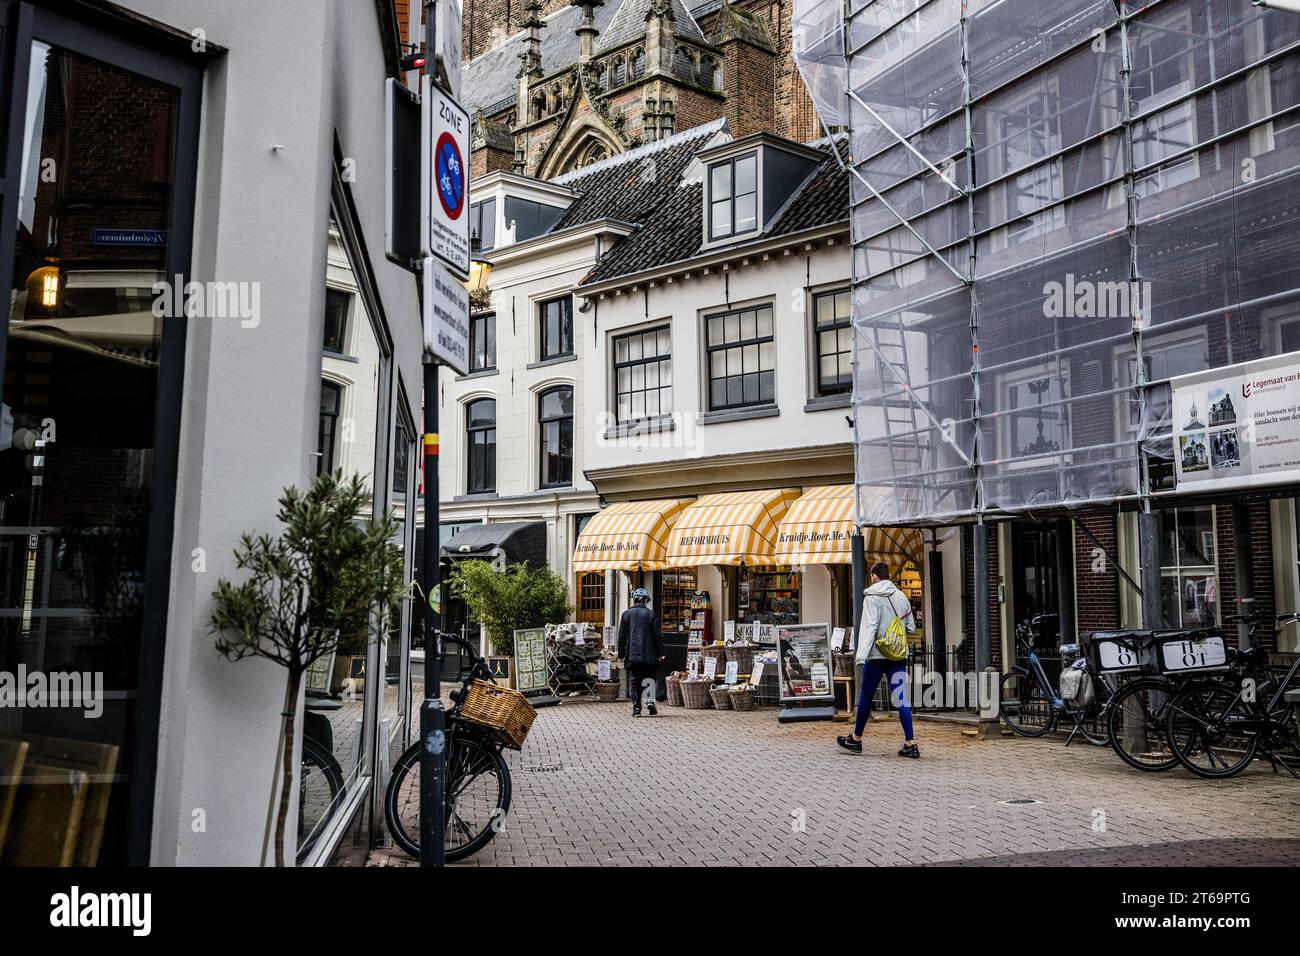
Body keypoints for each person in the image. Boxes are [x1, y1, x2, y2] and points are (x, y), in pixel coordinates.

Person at [837, 562, 919, 758]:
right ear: (887, 576)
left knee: (866, 695)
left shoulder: (872, 597)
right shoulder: (901, 597)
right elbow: (911, 628)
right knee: (901, 698)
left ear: (874, 576)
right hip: (897, 655)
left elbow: (869, 627)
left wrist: (860, 656)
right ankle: (911, 743)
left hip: (876, 655)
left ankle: (856, 739)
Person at [617, 587, 665, 717]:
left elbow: (621, 637)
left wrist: (621, 654)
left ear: (635, 600)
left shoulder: (626, 614)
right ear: (645, 600)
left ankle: (636, 708)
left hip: (633, 654)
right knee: (649, 677)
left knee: (634, 680)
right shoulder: (651, 614)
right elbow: (657, 636)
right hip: (650, 654)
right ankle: (649, 701)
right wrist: (661, 653)